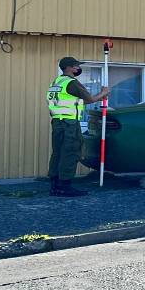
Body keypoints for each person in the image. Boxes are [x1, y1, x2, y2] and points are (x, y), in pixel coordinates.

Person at [46, 57, 109, 197]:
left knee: (57, 153)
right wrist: (104, 93)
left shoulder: (57, 82)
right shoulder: (72, 83)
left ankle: (54, 186)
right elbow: (90, 99)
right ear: (69, 68)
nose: (77, 69)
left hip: (57, 122)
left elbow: (72, 102)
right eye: (76, 66)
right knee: (71, 152)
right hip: (69, 123)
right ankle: (64, 187)